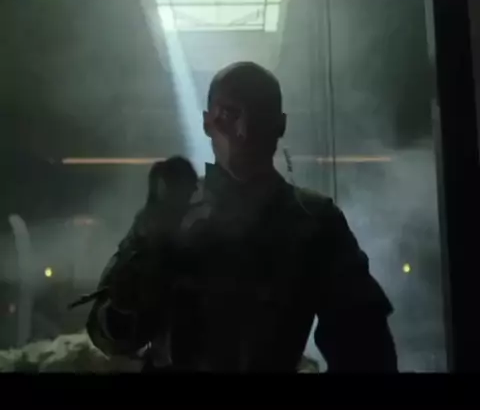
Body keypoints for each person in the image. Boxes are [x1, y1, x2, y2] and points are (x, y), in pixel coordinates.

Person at [87, 62, 398, 372]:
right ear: (207, 123)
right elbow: (109, 336)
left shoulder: (314, 222)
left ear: (280, 124)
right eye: (229, 114)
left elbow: (365, 346)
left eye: (259, 114)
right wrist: (127, 297)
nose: (244, 131)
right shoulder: (173, 213)